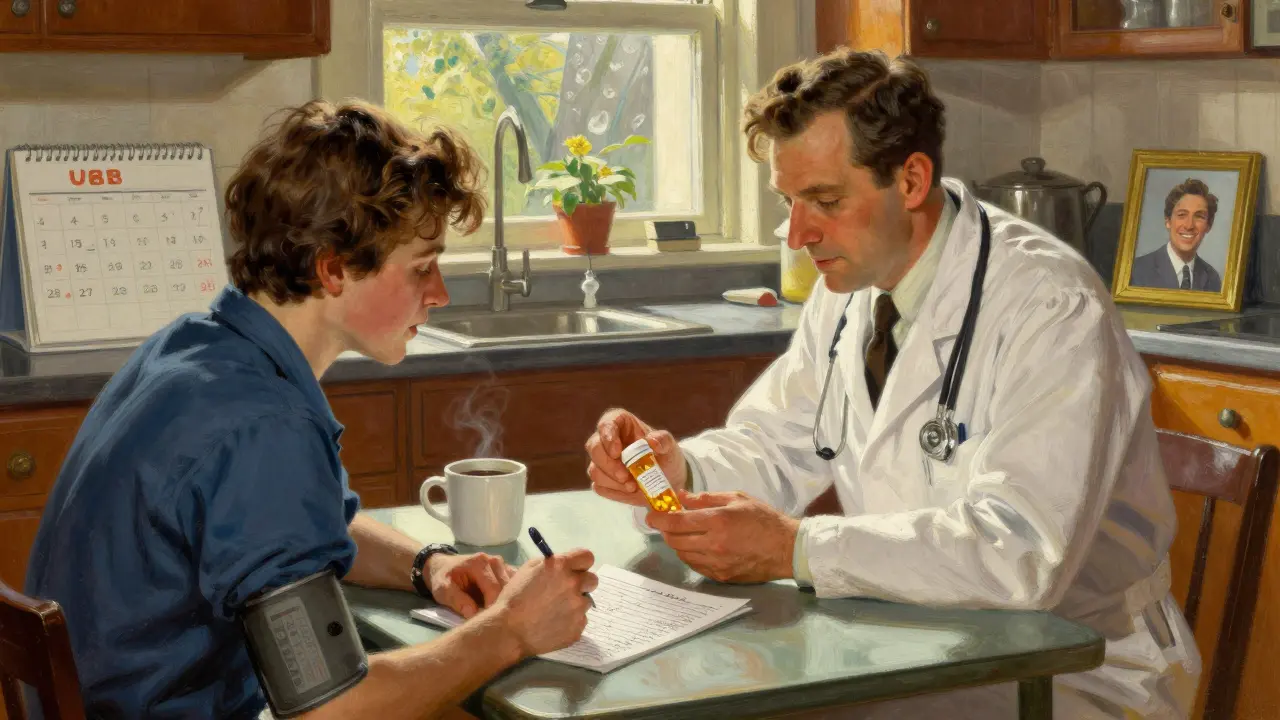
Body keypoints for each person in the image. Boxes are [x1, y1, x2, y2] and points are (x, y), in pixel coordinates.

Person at [585, 48, 1200, 719]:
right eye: (790, 201)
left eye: (825, 200)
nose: (798, 233)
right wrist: (676, 470)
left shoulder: (1052, 305)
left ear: (911, 180)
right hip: (913, 641)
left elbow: (1021, 552)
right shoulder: (851, 282)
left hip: (1074, 665)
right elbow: (777, 444)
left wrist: (795, 548)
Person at [25, 99, 597, 720]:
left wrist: (427, 565)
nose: (439, 294)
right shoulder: (263, 426)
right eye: (422, 268)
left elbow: (294, 524)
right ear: (333, 269)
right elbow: (331, 709)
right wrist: (511, 630)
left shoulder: (195, 347)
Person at [1130, 178, 1222, 292]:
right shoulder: (1136, 271)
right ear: (1168, 221)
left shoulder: (1213, 279)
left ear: (1209, 225)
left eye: (1199, 216)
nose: (1189, 225)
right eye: (1182, 215)